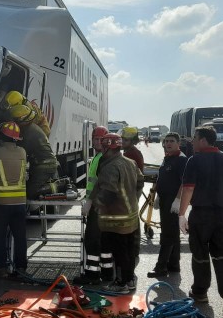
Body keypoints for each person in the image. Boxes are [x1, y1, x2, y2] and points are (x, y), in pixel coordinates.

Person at [177, 126, 223, 316]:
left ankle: (200, 293)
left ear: (203, 140)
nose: (192, 141)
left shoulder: (194, 160)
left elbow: (188, 189)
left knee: (200, 255)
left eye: (194, 138)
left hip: (201, 216)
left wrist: (181, 214)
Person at [91, 133, 144, 293]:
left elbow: (108, 192)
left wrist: (94, 206)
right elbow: (140, 181)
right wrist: (133, 197)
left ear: (107, 147)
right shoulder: (130, 162)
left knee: (119, 253)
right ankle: (129, 281)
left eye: (104, 147)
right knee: (127, 252)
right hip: (130, 218)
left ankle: (121, 284)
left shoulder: (110, 167)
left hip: (116, 219)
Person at [0, 121, 29, 278]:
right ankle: (21, 268)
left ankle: (1, 269)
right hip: (20, 203)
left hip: (0, 204)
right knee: (20, 237)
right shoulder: (23, 152)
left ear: (1, 137)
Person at [73, 126, 115, 285]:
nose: (97, 142)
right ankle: (107, 273)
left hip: (98, 205)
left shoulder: (102, 158)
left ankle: (92, 275)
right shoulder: (100, 156)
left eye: (100, 140)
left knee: (92, 240)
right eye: (95, 139)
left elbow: (100, 184)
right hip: (102, 205)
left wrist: (90, 202)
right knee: (103, 241)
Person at [147, 133, 187, 278]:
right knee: (173, 233)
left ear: (178, 143)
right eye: (166, 141)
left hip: (173, 201)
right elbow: (162, 177)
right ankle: (174, 264)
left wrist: (177, 200)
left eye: (172, 141)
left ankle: (161, 267)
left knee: (167, 234)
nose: (168, 143)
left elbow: (184, 182)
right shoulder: (168, 157)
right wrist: (158, 195)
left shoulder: (181, 160)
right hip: (165, 199)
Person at [13, 104, 59, 199]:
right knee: (29, 188)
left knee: (31, 192)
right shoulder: (31, 127)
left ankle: (58, 185)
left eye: (16, 120)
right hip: (41, 164)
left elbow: (21, 152)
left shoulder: (28, 132)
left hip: (44, 165)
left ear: (22, 119)